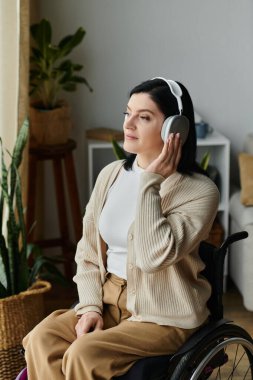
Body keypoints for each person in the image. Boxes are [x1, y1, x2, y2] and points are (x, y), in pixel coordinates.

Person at [23, 77, 219, 380]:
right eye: (128, 113)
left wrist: (150, 184)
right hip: (107, 297)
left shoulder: (199, 191)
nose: (129, 125)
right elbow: (88, 252)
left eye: (144, 117)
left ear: (174, 130)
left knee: (83, 355)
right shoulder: (111, 175)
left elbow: (154, 255)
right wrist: (90, 307)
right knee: (41, 339)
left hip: (164, 316)